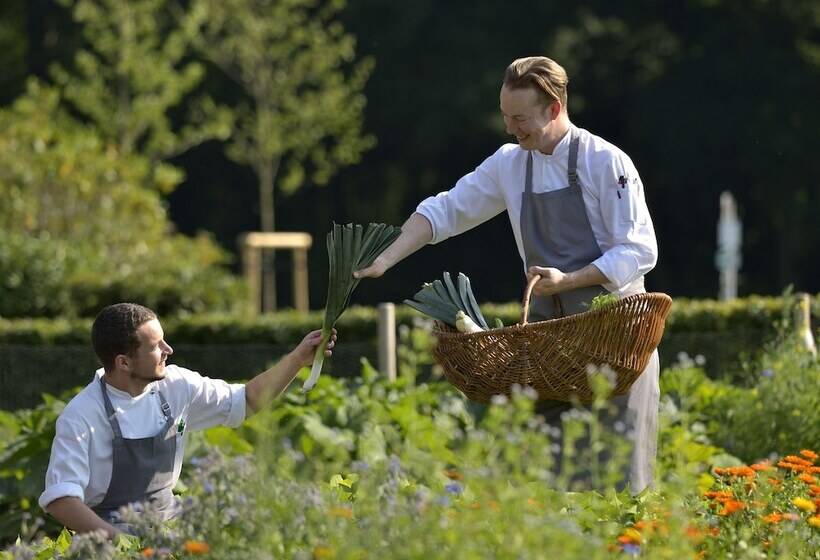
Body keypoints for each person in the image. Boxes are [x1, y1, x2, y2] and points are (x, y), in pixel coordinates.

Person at [355, 56, 659, 492]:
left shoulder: (605, 162)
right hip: (552, 352)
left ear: (554, 108)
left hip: (618, 347)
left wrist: (568, 281)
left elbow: (638, 249)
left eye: (520, 118)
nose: (511, 128)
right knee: (548, 489)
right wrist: (387, 257)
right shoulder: (510, 163)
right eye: (504, 116)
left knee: (621, 491)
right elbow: (447, 209)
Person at [39, 302, 336, 536]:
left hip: (172, 522)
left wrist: (298, 359)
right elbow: (62, 500)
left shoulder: (177, 385)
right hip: (109, 534)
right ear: (124, 362)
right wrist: (121, 543)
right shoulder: (80, 416)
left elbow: (247, 400)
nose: (168, 350)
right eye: (156, 346)